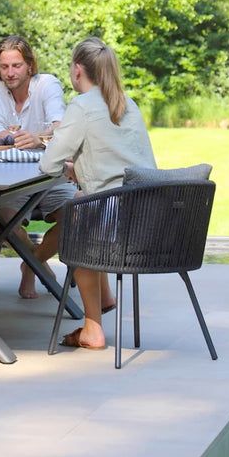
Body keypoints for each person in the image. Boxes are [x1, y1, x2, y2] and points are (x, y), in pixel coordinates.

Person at [39, 36, 157, 349]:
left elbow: (48, 164)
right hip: (149, 217)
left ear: (77, 70)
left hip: (115, 219)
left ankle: (92, 328)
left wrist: (66, 160)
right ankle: (104, 298)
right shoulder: (126, 102)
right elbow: (120, 159)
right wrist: (81, 165)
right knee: (80, 202)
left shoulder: (81, 105)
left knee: (75, 216)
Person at [0, 35, 78, 298]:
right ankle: (39, 264)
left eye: (16, 66)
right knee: (2, 220)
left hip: (51, 175)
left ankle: (31, 265)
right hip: (9, 178)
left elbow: (61, 127)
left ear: (30, 66)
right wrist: (13, 137)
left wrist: (37, 138)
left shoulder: (47, 84)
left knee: (75, 217)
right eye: (4, 67)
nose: (10, 73)